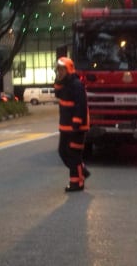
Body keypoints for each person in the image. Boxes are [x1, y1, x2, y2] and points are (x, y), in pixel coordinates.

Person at [54, 56, 90, 192]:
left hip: (77, 127)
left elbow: (81, 105)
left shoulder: (76, 84)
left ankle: (77, 183)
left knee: (73, 154)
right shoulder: (64, 83)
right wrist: (58, 80)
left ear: (69, 69)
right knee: (63, 152)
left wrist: (77, 123)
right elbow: (58, 94)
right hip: (65, 126)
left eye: (62, 69)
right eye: (58, 70)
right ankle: (82, 171)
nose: (60, 72)